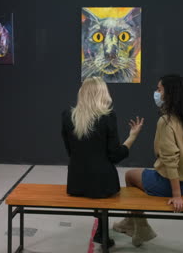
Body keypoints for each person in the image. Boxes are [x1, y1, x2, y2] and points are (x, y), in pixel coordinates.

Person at [113, 74, 183, 247]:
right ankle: (129, 222)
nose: (156, 93)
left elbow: (171, 160)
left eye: (159, 89)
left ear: (169, 94)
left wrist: (176, 195)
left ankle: (140, 227)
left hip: (170, 184)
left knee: (130, 176)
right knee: (142, 174)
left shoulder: (166, 121)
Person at [61, 76, 144, 247]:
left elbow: (71, 152)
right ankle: (102, 233)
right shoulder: (107, 117)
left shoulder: (67, 116)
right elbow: (115, 155)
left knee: (93, 179)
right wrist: (132, 137)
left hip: (76, 182)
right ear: (103, 94)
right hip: (103, 184)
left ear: (82, 93)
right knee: (101, 180)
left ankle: (101, 232)